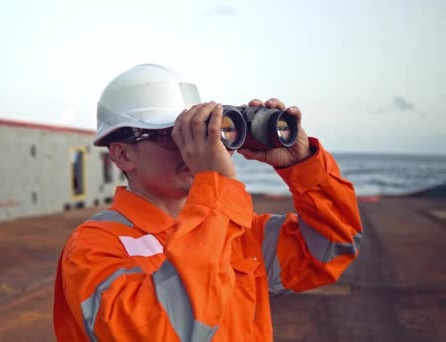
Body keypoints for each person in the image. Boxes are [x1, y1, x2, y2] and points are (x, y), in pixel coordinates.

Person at [53, 64, 363, 341]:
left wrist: (302, 164)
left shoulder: (238, 232)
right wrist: (216, 184)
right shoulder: (93, 247)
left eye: (198, 132)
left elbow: (334, 246)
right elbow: (165, 332)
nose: (191, 147)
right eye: (172, 135)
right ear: (122, 154)